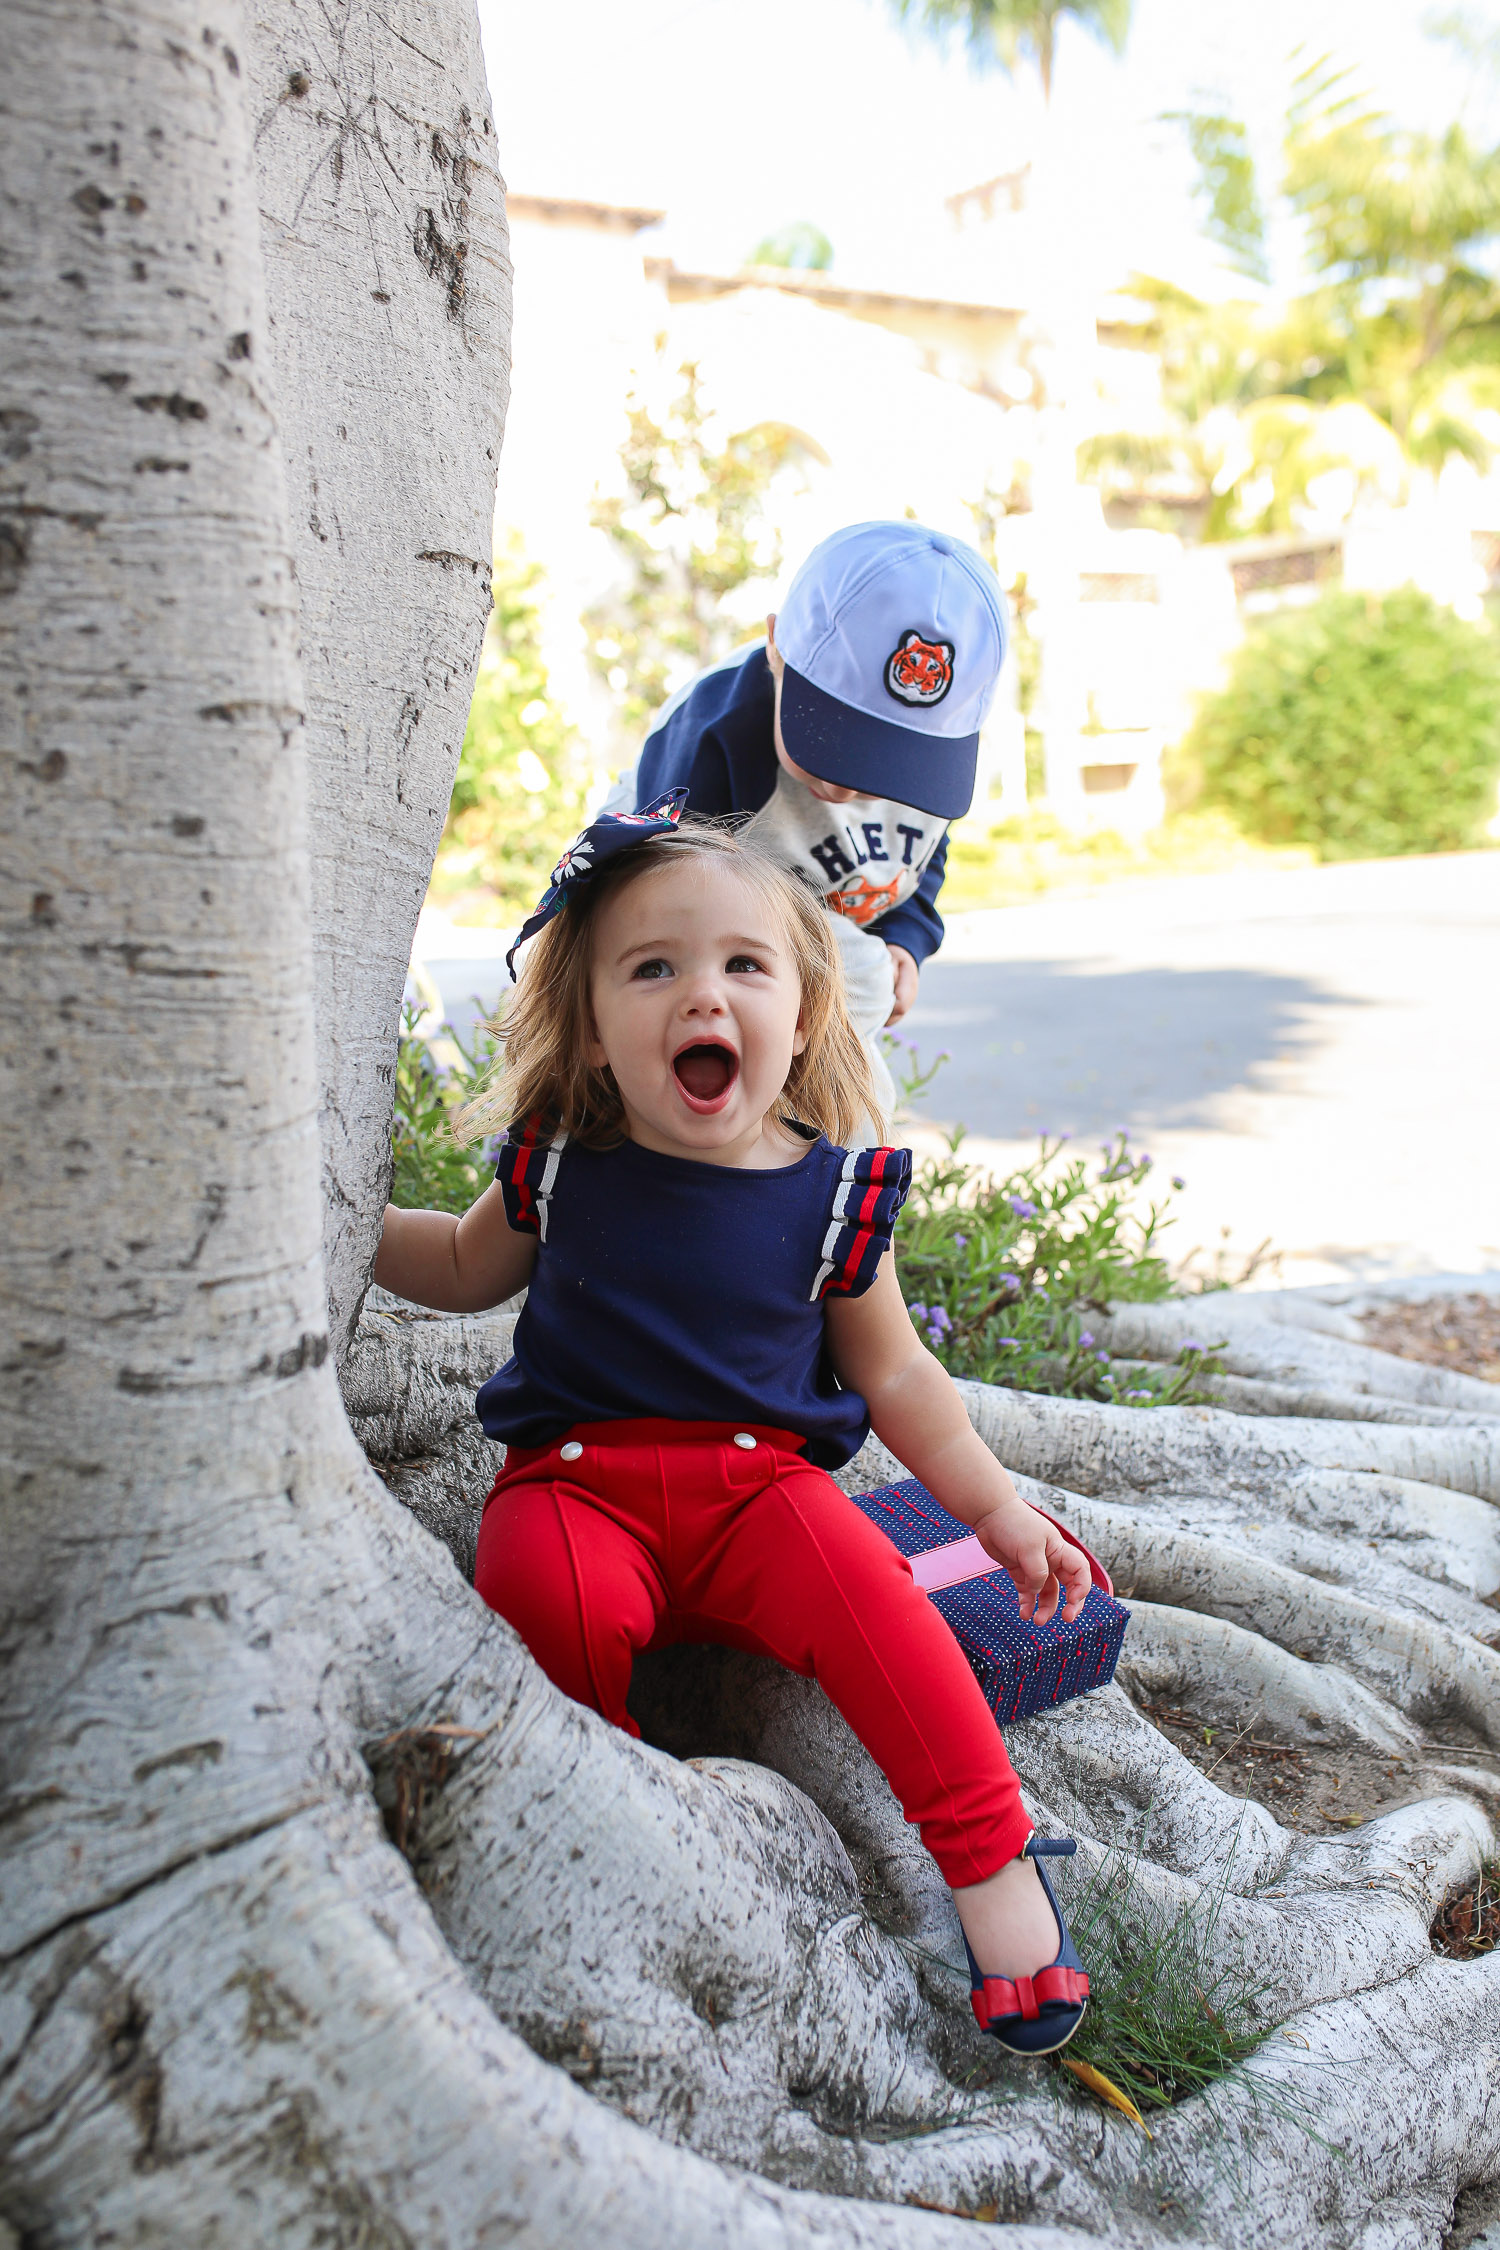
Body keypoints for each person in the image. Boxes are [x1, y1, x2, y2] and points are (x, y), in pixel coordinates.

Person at [374, 803, 1091, 2055]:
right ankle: (617, 1827)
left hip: (769, 1503)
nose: (701, 996)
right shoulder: (559, 1166)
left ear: (805, 1016)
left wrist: (994, 1509)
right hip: (575, 1486)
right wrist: (343, 1211)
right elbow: (456, 1266)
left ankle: (995, 1868)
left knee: (893, 1626)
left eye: (743, 967)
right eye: (652, 968)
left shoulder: (833, 1197)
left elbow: (902, 1377)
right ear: (594, 1032)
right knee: (540, 1599)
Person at [606, 520, 1010, 1115]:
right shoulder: (715, 733)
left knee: (848, 1075)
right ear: (776, 646)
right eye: (834, 742)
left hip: (807, 945)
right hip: (687, 926)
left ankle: (817, 1186)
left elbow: (922, 854)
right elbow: (654, 892)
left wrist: (905, 938)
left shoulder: (932, 769)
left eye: (890, 767)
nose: (847, 787)